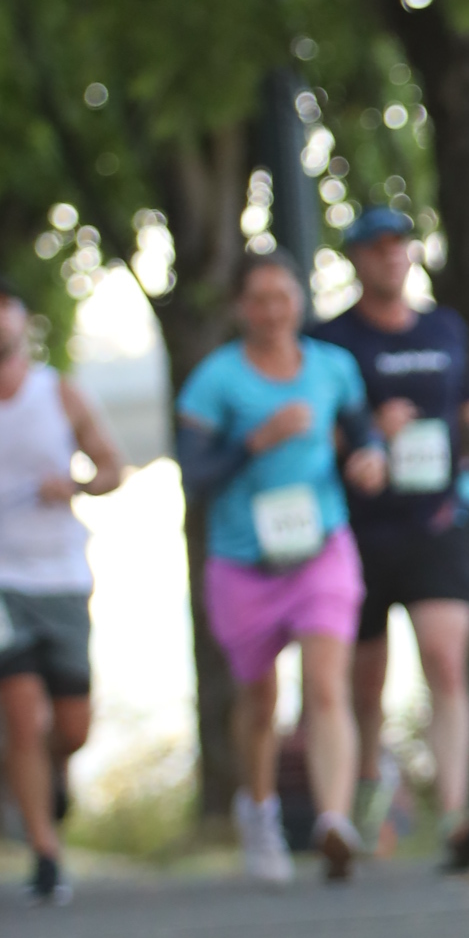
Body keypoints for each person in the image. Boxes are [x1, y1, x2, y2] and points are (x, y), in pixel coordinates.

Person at [312, 209, 469, 874]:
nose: (391, 257)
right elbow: (316, 428)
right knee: (365, 683)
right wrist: (369, 432)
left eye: (399, 245)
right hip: (360, 529)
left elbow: (468, 402)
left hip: (437, 522)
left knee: (446, 660)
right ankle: (363, 807)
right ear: (355, 259)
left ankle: (455, 814)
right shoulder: (331, 340)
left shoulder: (443, 327)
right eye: (376, 248)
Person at [174, 251, 387, 883]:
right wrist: (255, 441)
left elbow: (363, 432)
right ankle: (260, 814)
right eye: (260, 299)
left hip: (321, 546)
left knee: (325, 685)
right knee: (260, 698)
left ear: (300, 300)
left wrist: (370, 458)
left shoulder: (332, 367)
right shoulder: (216, 380)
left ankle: (333, 821)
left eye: (283, 297)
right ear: (241, 307)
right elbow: (195, 475)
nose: (273, 311)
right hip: (244, 560)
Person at [0, 276, 126, 906]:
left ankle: (51, 770)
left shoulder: (60, 394)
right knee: (23, 716)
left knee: (70, 726)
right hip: (3, 584)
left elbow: (112, 468)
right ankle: (46, 854)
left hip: (63, 578)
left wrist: (74, 485)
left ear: (22, 324)